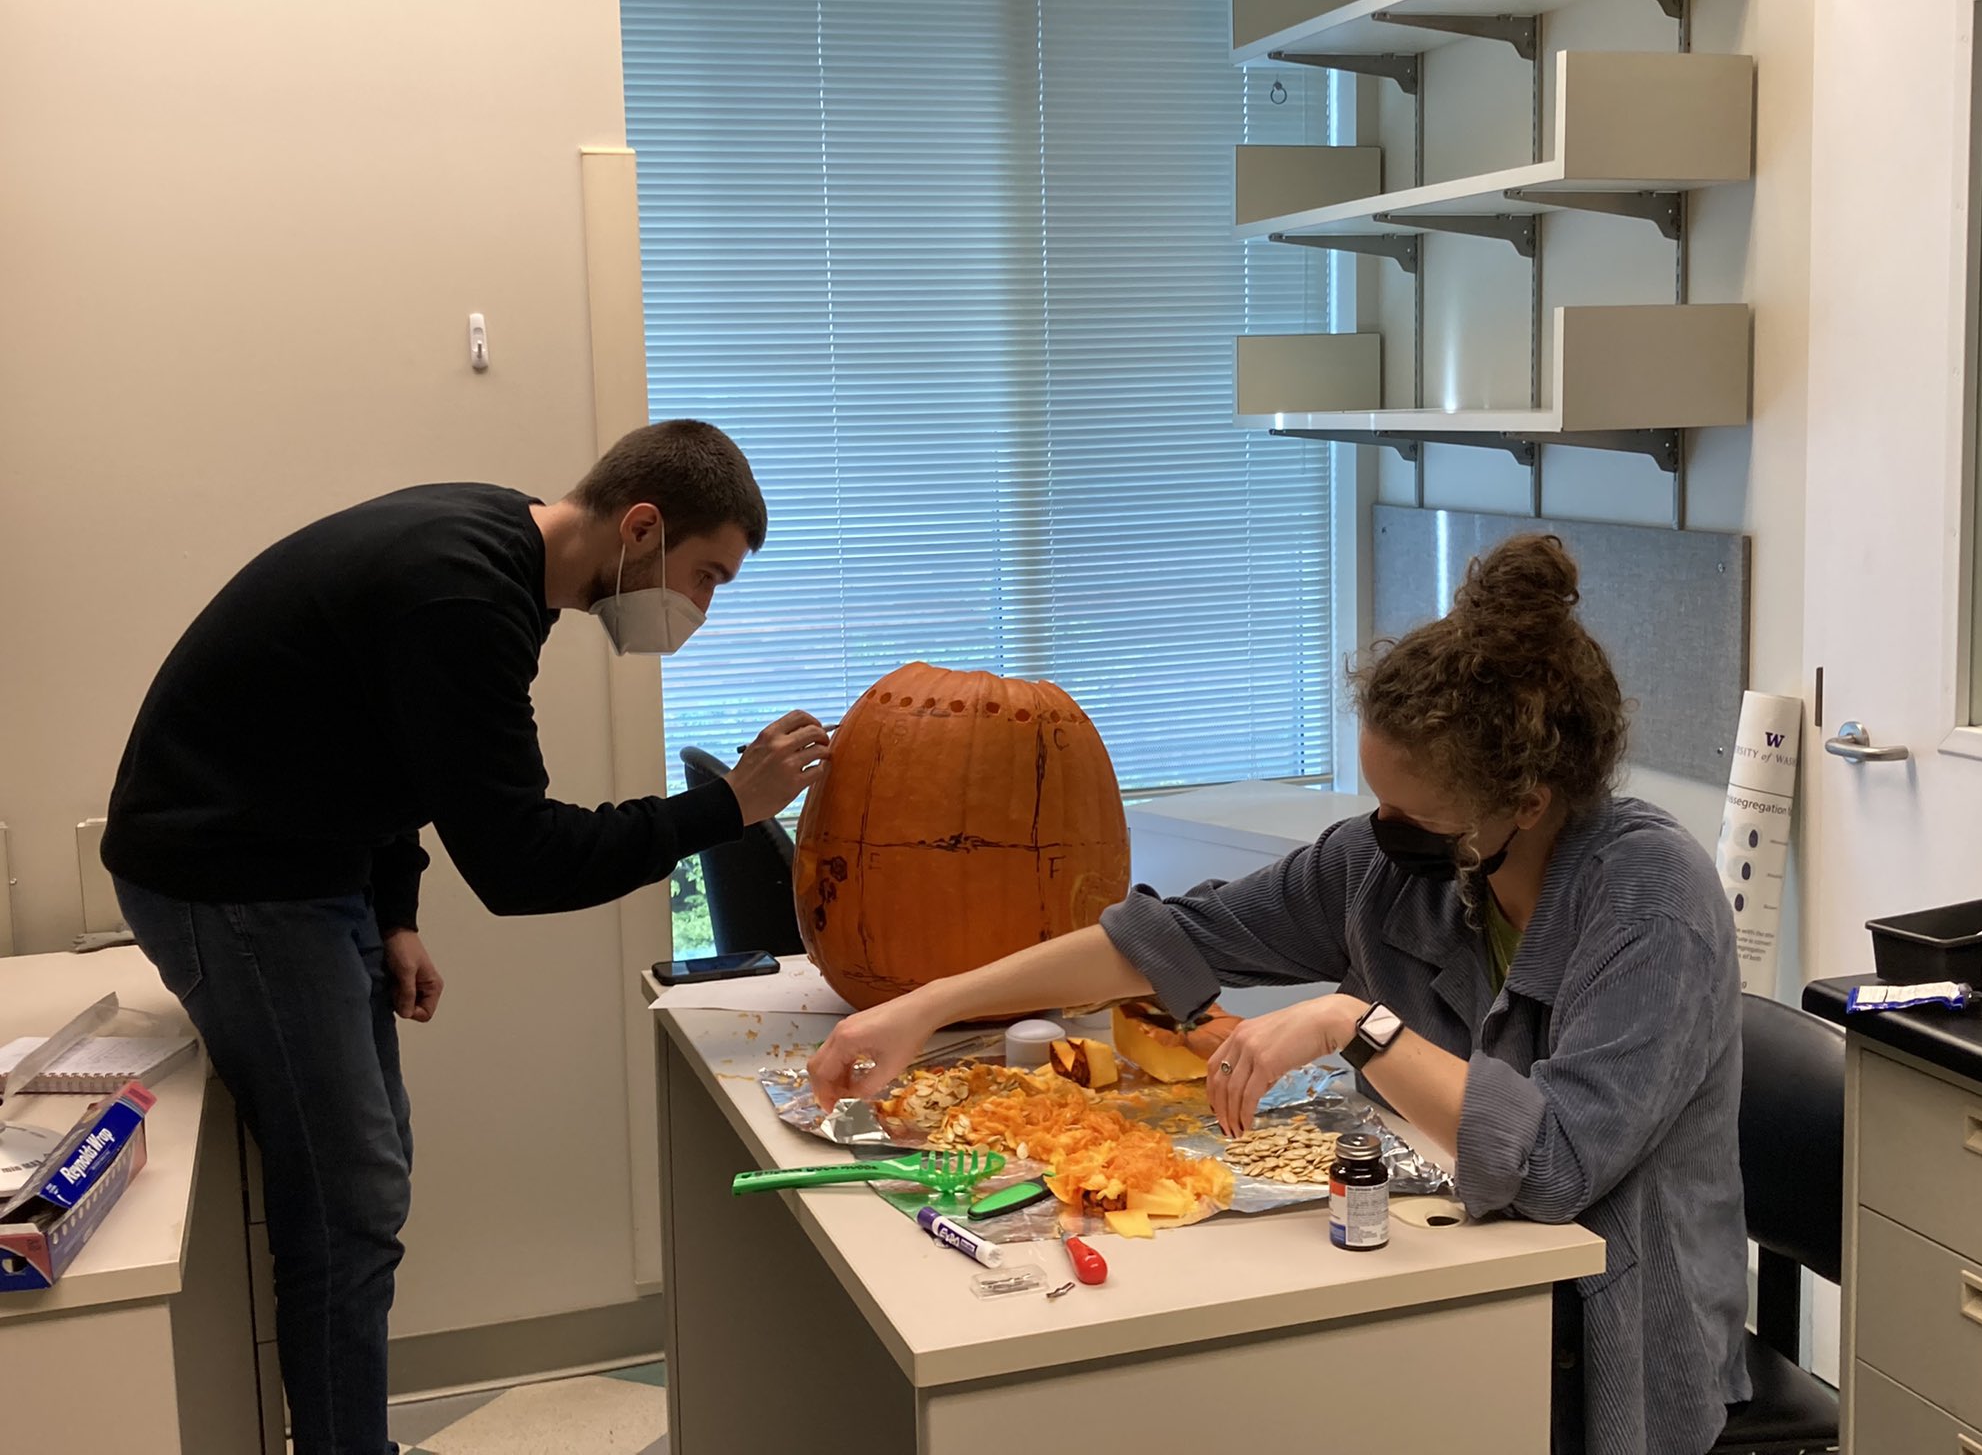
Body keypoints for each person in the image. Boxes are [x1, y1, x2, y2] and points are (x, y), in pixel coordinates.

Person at [809, 533, 1749, 1455]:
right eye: (1378, 799)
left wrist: (1356, 1023)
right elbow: (1162, 942)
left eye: (1414, 818)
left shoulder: (1653, 905)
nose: (1382, 832)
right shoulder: (1397, 866)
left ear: (1529, 803)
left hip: (1608, 1325)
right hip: (1441, 1267)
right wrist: (925, 1005)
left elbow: (1552, 1168)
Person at [104, 419, 830, 1455]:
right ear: (639, 525)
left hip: (311, 867)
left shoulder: (502, 555)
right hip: (230, 882)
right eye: (705, 576)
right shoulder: (464, 594)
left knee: (368, 1174)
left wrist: (394, 911)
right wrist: (727, 809)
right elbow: (522, 863)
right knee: (348, 1200)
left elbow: (385, 748)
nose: (702, 612)